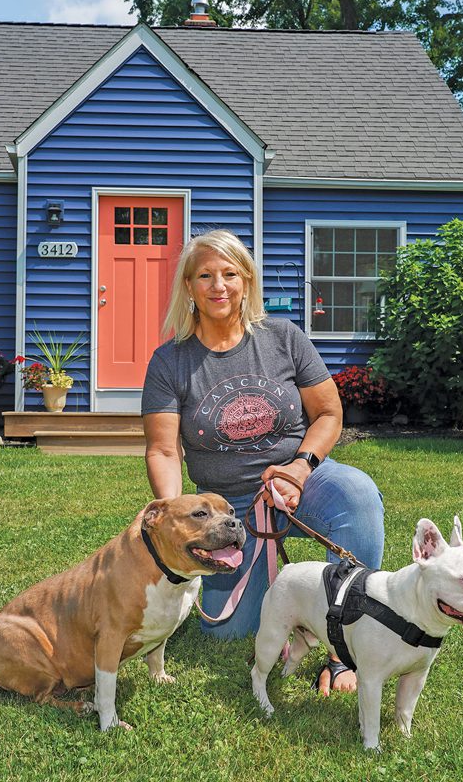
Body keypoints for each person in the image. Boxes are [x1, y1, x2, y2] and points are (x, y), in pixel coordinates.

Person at [141, 229, 385, 695]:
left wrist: (300, 467)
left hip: (301, 478)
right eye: (206, 275)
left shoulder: (284, 338)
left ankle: (342, 648)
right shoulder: (170, 362)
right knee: (228, 633)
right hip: (228, 507)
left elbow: (330, 414)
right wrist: (176, 514)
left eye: (230, 274)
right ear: (188, 286)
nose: (219, 286)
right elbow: (164, 450)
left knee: (356, 494)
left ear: (247, 281)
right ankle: (298, 612)